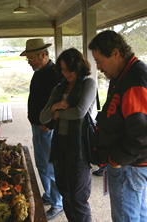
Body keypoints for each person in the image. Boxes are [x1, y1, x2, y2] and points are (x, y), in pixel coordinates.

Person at [88, 30, 147, 222]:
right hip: (128, 165)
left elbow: (141, 135)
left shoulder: (134, 80)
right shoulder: (122, 76)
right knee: (137, 215)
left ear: (115, 53)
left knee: (126, 218)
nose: (98, 67)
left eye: (99, 61)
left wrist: (115, 160)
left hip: (129, 167)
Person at [40, 48, 97, 222]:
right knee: (65, 193)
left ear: (79, 66)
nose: (66, 73)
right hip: (60, 146)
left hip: (79, 148)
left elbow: (79, 112)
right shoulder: (58, 89)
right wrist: (54, 107)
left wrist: (57, 115)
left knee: (78, 197)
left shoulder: (88, 84)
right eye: (63, 69)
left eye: (69, 69)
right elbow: (42, 117)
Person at [20, 39, 63, 220]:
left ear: (43, 55)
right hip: (37, 126)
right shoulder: (38, 72)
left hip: (47, 129)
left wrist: (49, 126)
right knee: (40, 165)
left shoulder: (55, 75)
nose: (29, 62)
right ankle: (48, 194)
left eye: (31, 58)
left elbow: (60, 106)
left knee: (51, 167)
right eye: (28, 59)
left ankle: (58, 203)